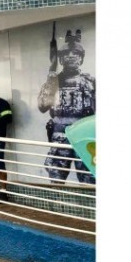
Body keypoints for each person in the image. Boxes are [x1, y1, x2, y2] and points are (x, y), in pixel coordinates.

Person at [37, 29, 95, 184]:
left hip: (84, 136)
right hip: (60, 137)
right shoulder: (53, 82)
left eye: (75, 53)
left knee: (89, 178)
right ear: (60, 59)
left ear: (81, 58)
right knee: (56, 177)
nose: (71, 56)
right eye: (65, 54)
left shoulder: (90, 82)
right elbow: (42, 106)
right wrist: (51, 75)